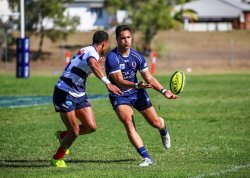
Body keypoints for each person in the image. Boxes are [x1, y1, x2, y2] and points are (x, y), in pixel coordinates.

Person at [105, 25, 178, 167]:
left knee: (155, 123)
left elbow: (149, 78)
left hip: (137, 93)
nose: (126, 41)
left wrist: (164, 92)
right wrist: (137, 85)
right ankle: (147, 158)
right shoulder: (112, 58)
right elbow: (119, 80)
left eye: (128, 37)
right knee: (128, 123)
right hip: (120, 95)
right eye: (122, 38)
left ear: (131, 38)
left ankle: (163, 128)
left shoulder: (137, 57)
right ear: (117, 39)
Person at [51, 30, 122, 167]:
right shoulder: (91, 53)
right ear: (104, 44)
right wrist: (108, 83)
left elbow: (89, 64)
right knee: (75, 131)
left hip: (79, 94)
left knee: (91, 126)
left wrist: (96, 63)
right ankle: (57, 158)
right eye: (107, 45)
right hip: (64, 92)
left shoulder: (88, 51)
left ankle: (62, 136)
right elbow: (92, 64)